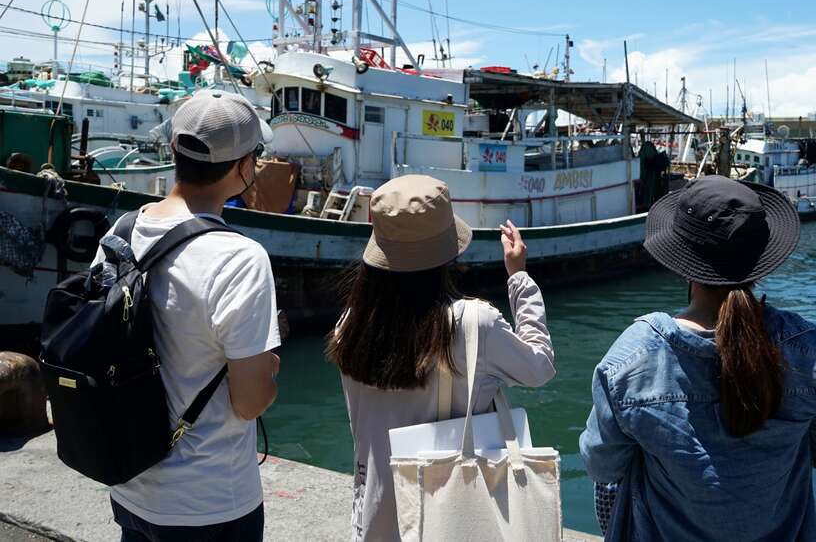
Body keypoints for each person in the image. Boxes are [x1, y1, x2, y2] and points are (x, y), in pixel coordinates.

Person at [579, 175, 816, 541]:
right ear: (762, 258)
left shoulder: (632, 357)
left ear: (681, 262)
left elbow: (601, 466)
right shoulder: (812, 351)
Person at [327, 175, 556, 542]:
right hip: (451, 520)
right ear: (447, 254)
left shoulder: (351, 326)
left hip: (375, 520)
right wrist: (519, 279)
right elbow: (539, 366)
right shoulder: (473, 324)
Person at [94, 91, 281, 541]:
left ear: (175, 148)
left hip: (130, 482)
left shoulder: (120, 233)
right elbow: (250, 402)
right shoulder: (240, 258)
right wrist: (270, 367)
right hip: (209, 501)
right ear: (244, 167)